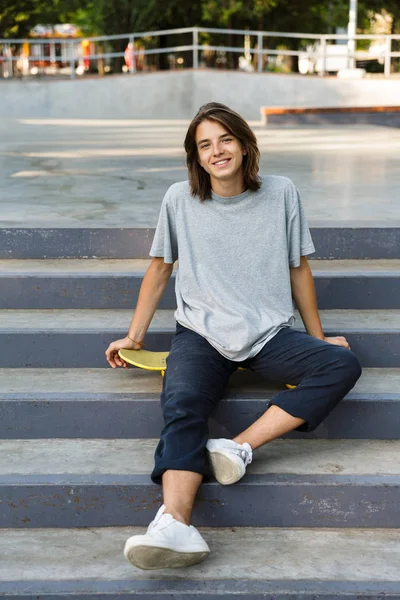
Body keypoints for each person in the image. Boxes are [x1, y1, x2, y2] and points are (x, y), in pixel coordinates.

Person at [105, 102, 362, 571]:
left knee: (342, 364)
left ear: (245, 144)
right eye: (205, 144)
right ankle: (175, 524)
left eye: (225, 139)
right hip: (200, 332)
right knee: (181, 402)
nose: (217, 151)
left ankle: (238, 447)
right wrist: (134, 336)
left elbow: (298, 268)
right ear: (196, 157)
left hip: (268, 333)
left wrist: (318, 338)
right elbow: (160, 268)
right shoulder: (178, 200)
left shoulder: (282, 193)